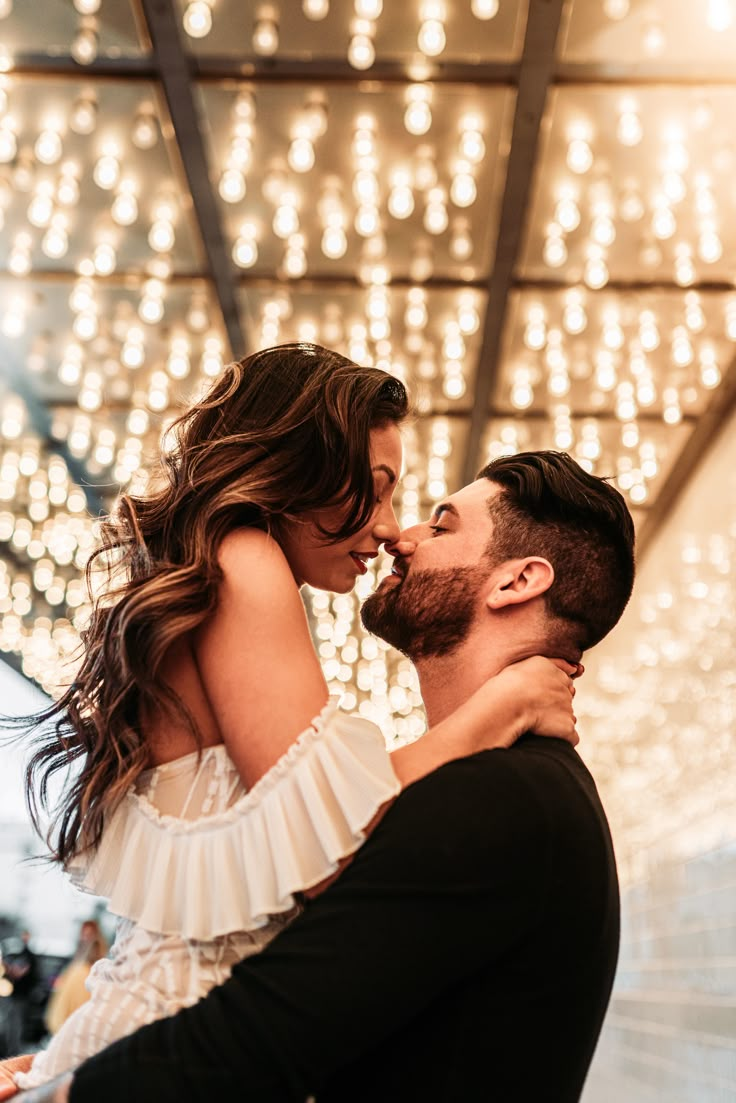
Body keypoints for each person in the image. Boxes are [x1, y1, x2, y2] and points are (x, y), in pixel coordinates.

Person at [6, 348, 577, 1093]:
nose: (388, 529)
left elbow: (299, 827)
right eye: (374, 491)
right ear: (297, 467)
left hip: (153, 1033)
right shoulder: (245, 559)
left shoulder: (211, 564)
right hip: (171, 1053)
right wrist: (497, 710)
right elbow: (329, 853)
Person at [44, 923, 108, 1038]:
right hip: (75, 984)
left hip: (83, 985)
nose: (85, 936)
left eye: (89, 933)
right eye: (84, 933)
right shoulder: (78, 950)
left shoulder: (97, 950)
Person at [3, 933, 38, 1058]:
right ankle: (11, 1051)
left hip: (21, 997)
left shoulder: (27, 955)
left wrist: (10, 969)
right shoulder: (21, 954)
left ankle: (14, 1053)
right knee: (12, 1025)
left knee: (16, 1026)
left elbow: (20, 973)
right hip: (17, 995)